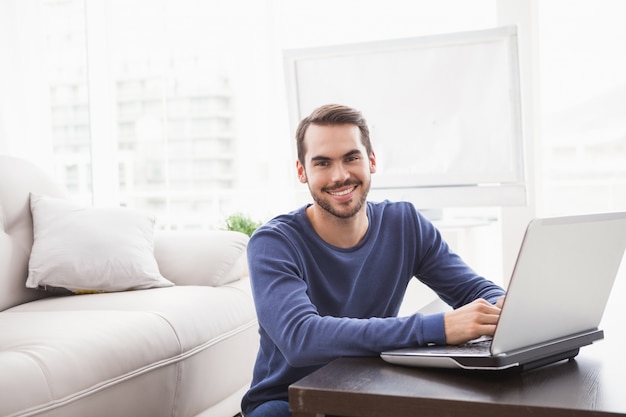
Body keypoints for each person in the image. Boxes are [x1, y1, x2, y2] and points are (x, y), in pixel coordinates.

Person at [241, 104, 506, 417]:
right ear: (302, 172)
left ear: (372, 161)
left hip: (368, 392)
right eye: (323, 163)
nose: (340, 176)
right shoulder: (273, 243)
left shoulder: (404, 223)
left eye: (351, 158)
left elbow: (474, 290)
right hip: (287, 403)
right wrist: (439, 328)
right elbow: (301, 338)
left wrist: (508, 309)